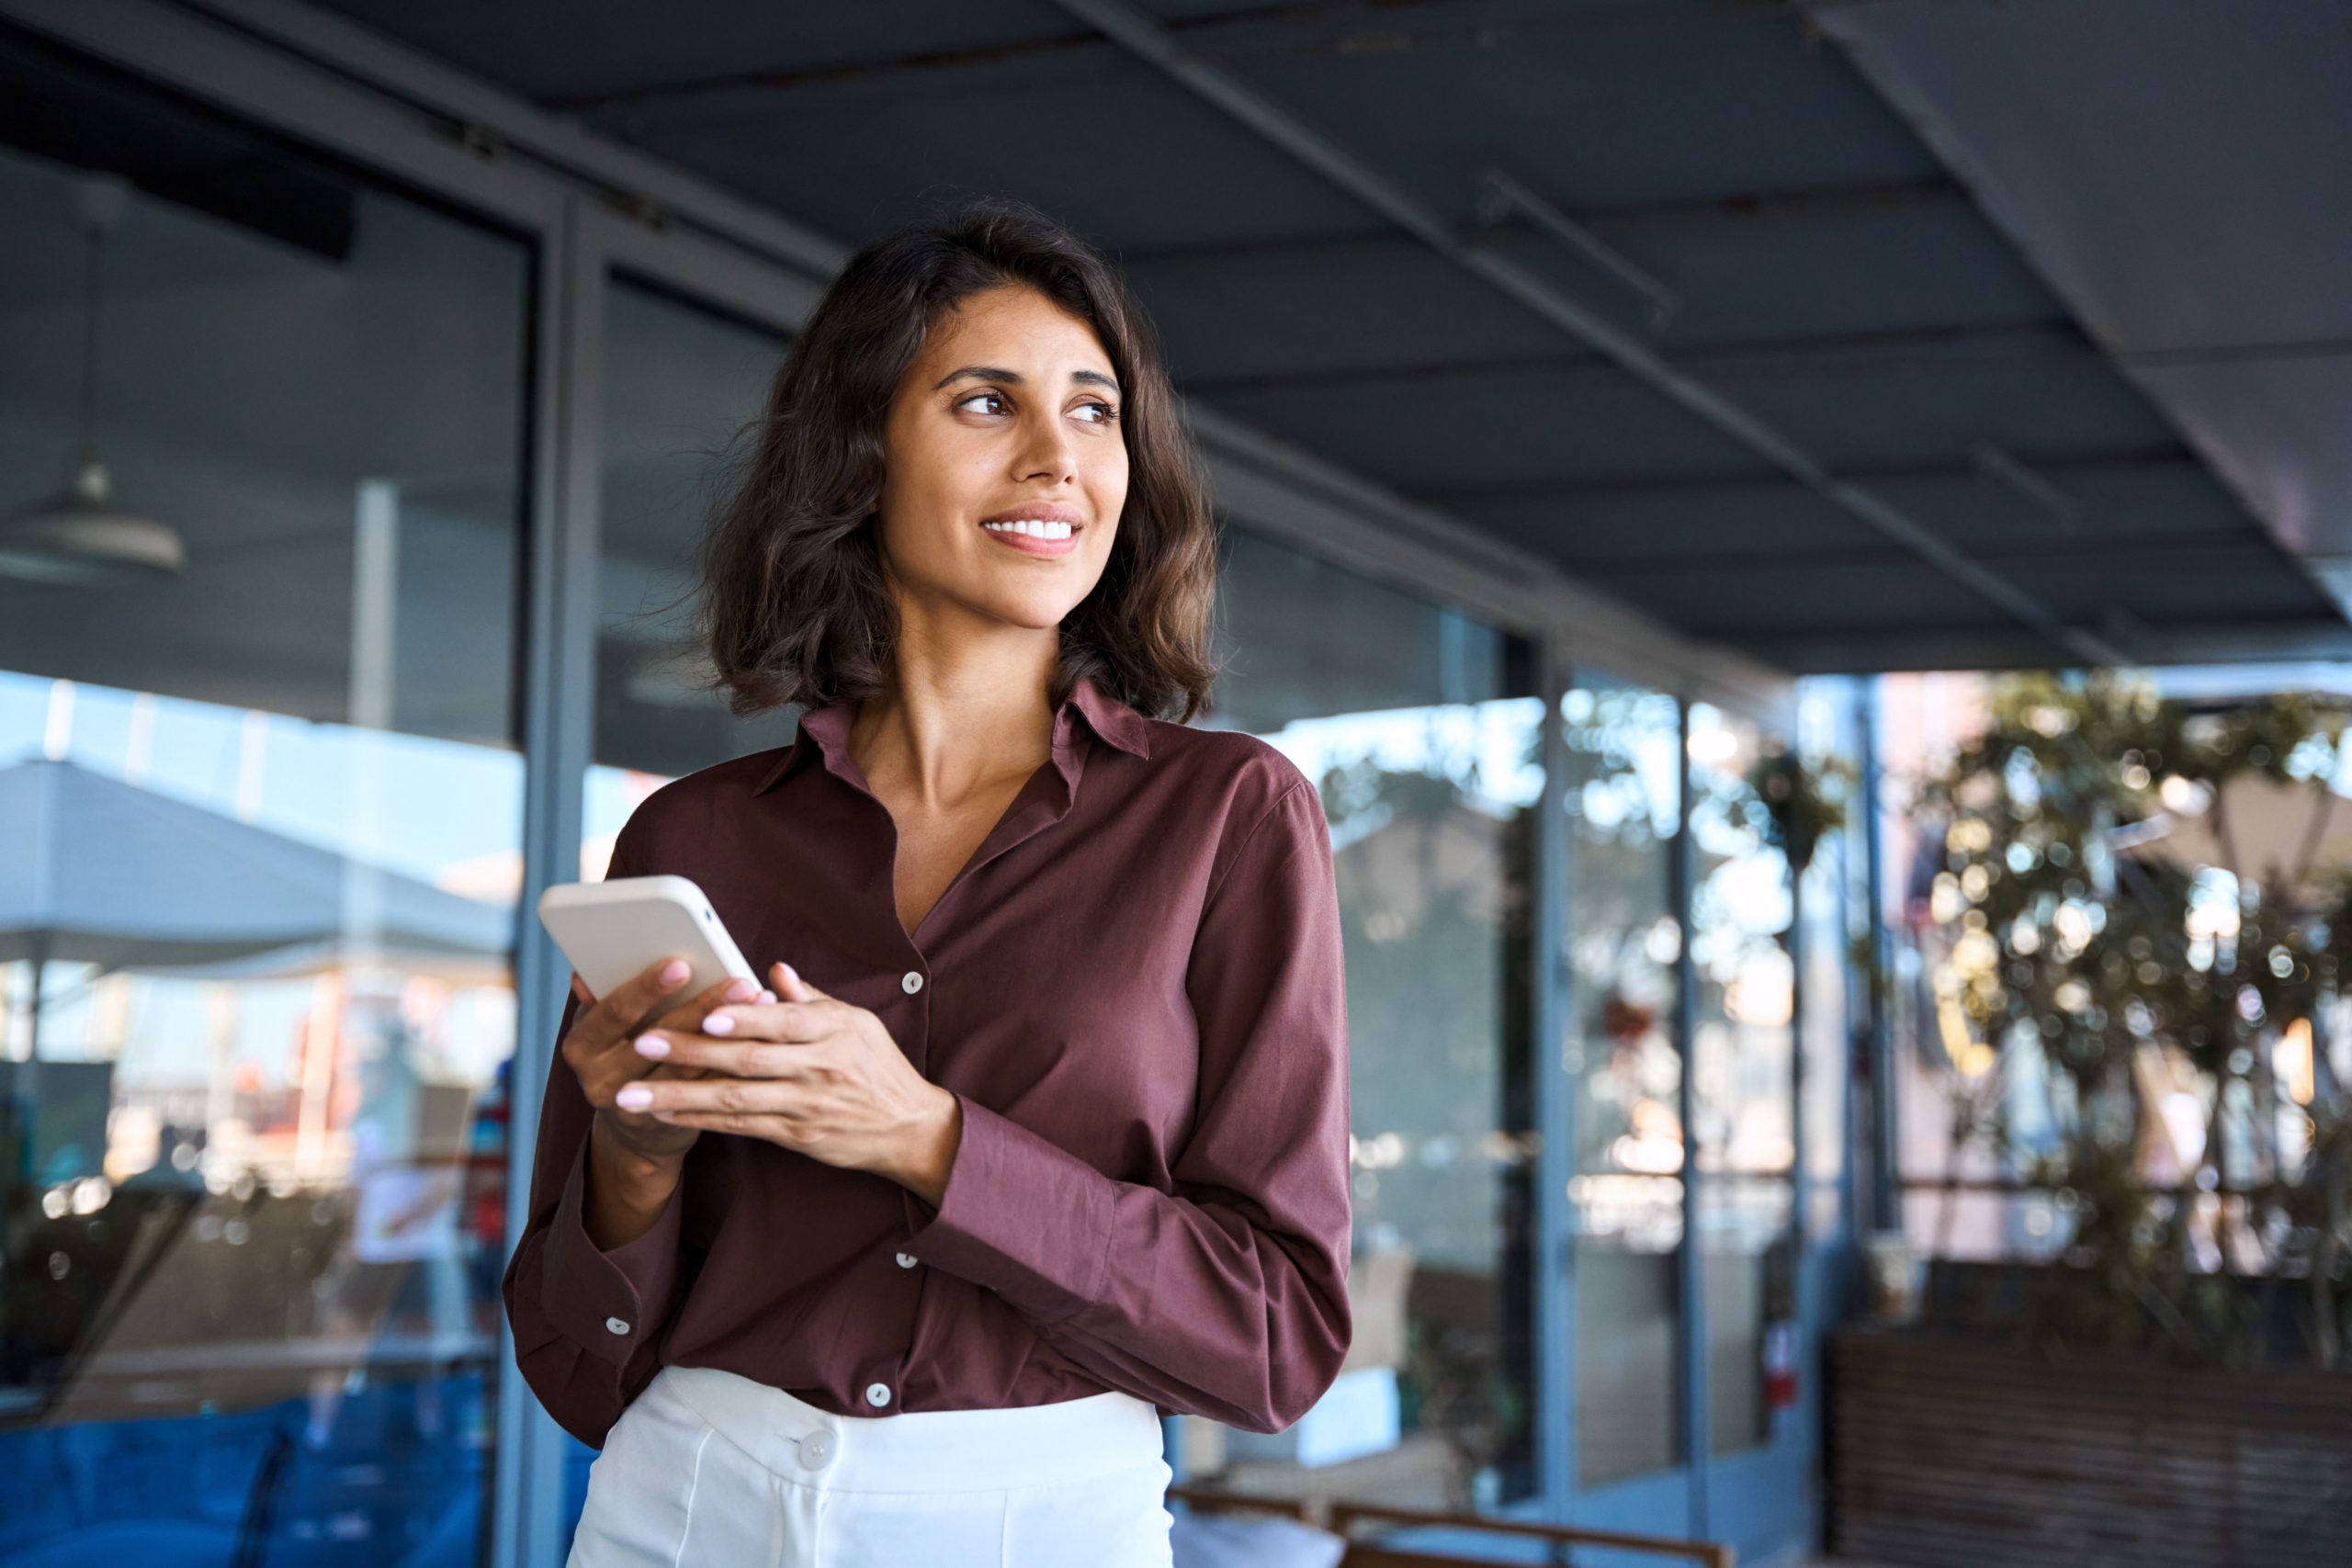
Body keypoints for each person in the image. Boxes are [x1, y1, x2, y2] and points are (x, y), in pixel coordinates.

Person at [503, 196, 1354, 1567]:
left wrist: (926, 1138)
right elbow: (572, 1361)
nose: (1057, 459)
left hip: (1037, 1519)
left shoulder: (1228, 815)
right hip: (688, 1500)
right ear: (860, 454)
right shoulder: (693, 838)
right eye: (984, 403)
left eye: (1093, 411)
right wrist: (636, 1158)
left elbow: (1276, 1339)